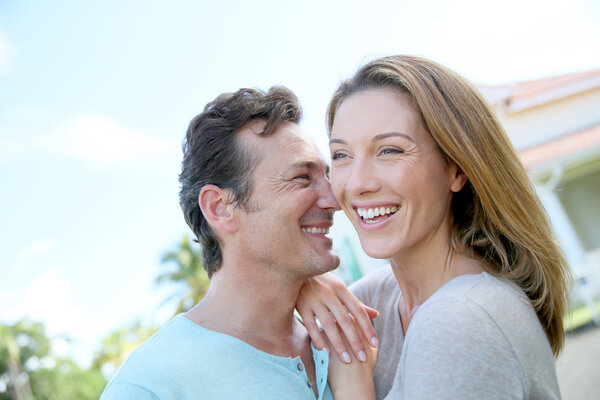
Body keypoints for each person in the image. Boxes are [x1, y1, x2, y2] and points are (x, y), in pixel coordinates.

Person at [296, 55, 572, 399]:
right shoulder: (374, 301)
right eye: (341, 156)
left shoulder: (458, 322)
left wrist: (353, 388)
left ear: (456, 169)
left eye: (390, 150)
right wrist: (299, 282)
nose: (357, 183)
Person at [100, 86, 346, 399]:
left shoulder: (351, 339)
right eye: (301, 178)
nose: (335, 199)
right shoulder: (150, 386)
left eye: (327, 176)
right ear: (220, 208)